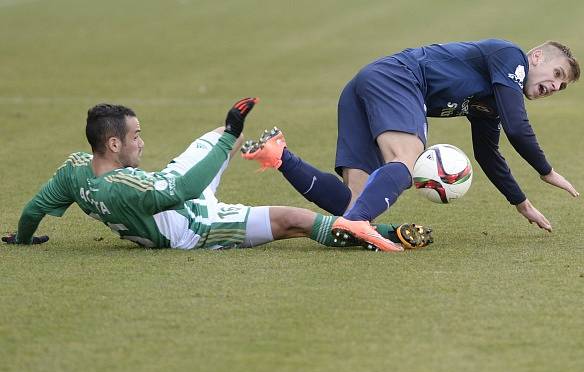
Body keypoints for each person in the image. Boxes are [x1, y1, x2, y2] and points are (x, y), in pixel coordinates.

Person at [1, 98, 433, 252]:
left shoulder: (76, 170)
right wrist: (229, 139)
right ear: (113, 145)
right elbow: (184, 189)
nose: (141, 143)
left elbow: (35, 207)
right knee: (293, 221)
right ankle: (382, 233)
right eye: (135, 137)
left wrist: (23, 238)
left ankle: (270, 154)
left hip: (171, 189)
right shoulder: (123, 189)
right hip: (191, 226)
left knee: (211, 136)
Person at [242, 39, 580, 233]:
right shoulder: (511, 57)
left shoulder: (493, 99)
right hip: (399, 78)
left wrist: (521, 203)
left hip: (369, 83)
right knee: (407, 161)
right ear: (536, 57)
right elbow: (518, 127)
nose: (554, 86)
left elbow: (488, 153)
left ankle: (280, 156)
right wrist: (546, 171)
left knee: (353, 201)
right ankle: (357, 225)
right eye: (556, 74)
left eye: (561, 86)